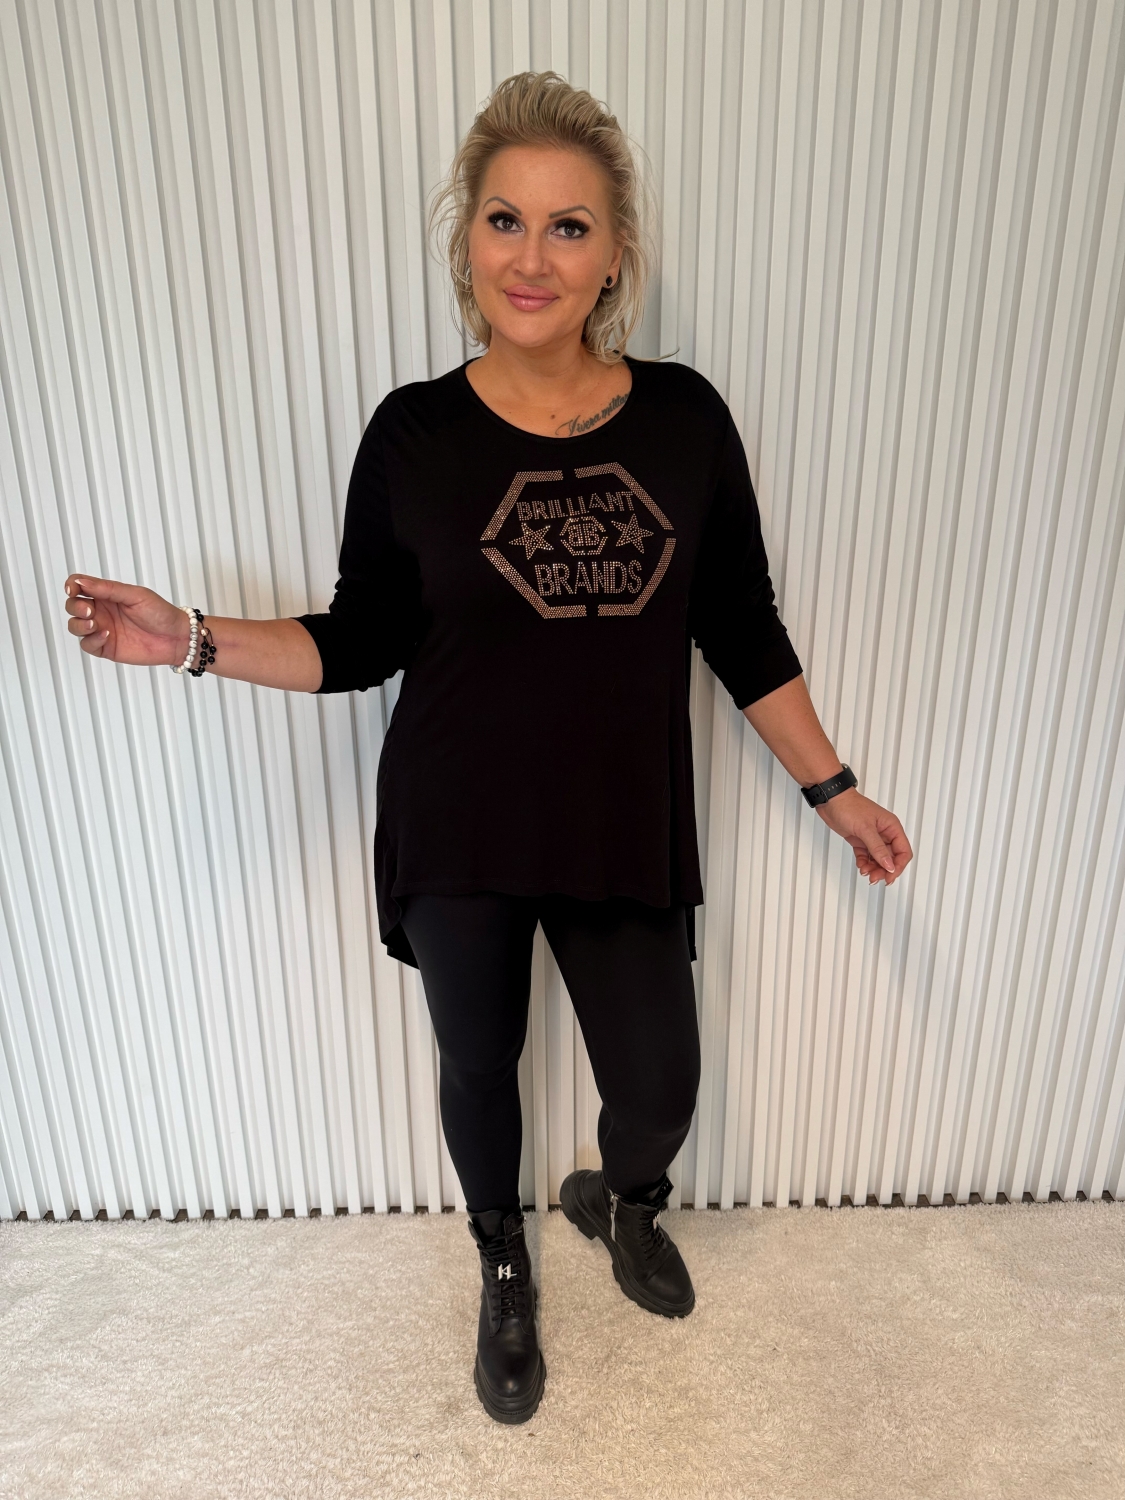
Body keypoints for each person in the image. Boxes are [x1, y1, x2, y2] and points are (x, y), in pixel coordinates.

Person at [62, 71, 912, 1426]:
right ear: (467, 239)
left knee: (660, 1085)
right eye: (505, 220)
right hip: (457, 818)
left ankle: (620, 1198)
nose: (533, 257)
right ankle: (502, 1260)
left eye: (569, 227)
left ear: (614, 255)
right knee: (479, 1060)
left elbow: (741, 627)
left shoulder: (684, 420)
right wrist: (191, 640)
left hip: (619, 819)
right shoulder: (414, 434)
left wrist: (835, 789)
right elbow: (361, 638)